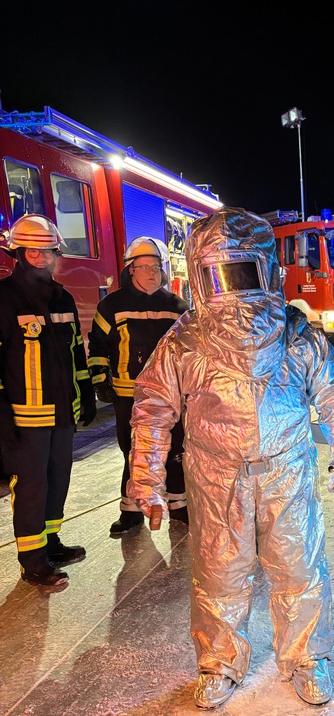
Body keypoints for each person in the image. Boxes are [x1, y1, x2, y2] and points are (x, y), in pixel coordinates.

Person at [127, 206, 334, 709]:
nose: (235, 291)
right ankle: (218, 660)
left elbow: (333, 396)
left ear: (267, 270)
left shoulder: (296, 334)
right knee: (219, 571)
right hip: (217, 476)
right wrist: (146, 481)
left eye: (243, 272)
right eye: (221, 274)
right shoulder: (186, 340)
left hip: (286, 469)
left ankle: (305, 655)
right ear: (199, 276)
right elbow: (152, 410)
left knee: (298, 566)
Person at [0, 214, 97, 592]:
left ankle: (51, 544)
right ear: (18, 253)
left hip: (62, 413)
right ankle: (32, 562)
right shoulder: (4, 298)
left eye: (48, 251)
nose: (42, 257)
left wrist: (85, 394)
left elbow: (76, 353)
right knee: (32, 487)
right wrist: (2, 415)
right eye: (33, 251)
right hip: (24, 418)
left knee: (58, 480)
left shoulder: (63, 297)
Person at [88, 236, 189, 535]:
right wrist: (99, 379)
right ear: (130, 269)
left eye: (156, 267)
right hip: (127, 395)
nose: (151, 273)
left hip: (170, 396)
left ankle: (178, 506)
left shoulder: (177, 306)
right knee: (133, 453)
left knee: (174, 450)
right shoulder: (111, 305)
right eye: (144, 266)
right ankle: (131, 513)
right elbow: (97, 347)